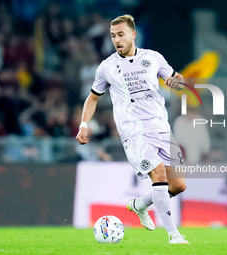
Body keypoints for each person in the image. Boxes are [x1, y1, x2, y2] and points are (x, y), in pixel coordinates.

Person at [76, 14, 188, 244]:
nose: (117, 40)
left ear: (133, 34)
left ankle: (139, 204)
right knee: (158, 176)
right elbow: (93, 99)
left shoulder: (153, 58)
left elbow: (175, 77)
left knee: (178, 185)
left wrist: (176, 81)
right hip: (133, 131)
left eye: (121, 35)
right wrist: (84, 124)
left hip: (160, 126)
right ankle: (173, 235)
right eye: (113, 36)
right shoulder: (106, 67)